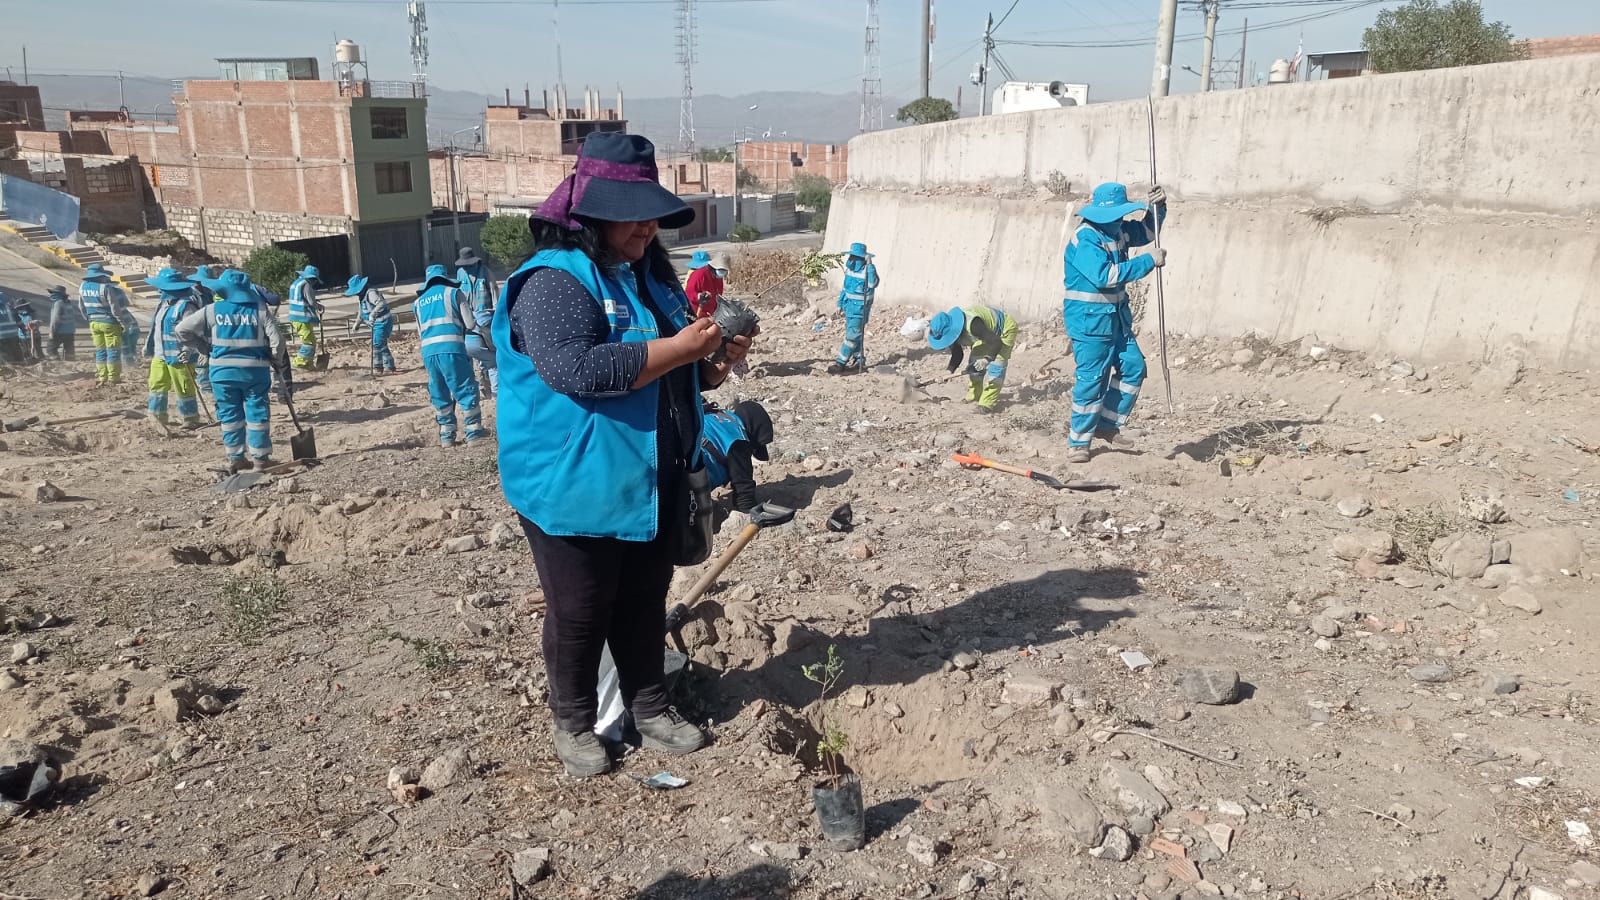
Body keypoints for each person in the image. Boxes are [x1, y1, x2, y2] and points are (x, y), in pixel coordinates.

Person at [492, 131, 754, 777]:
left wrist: (715, 366)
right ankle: (574, 720)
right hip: (574, 480)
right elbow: (576, 369)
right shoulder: (552, 282)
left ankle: (650, 705)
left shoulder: (647, 278)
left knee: (643, 599)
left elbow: (673, 375)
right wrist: (683, 350)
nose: (647, 228)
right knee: (581, 610)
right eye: (632, 215)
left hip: (650, 474)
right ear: (591, 215)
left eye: (651, 216)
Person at [1062, 182, 1167, 463]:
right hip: (1089, 324)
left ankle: (1106, 425)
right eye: (1118, 215)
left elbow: (1145, 232)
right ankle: (1079, 442)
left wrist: (1158, 208)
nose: (1121, 220)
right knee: (1092, 380)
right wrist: (1147, 262)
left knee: (1133, 367)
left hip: (1116, 320)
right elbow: (1104, 276)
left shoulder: (1117, 230)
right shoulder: (1085, 238)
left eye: (1122, 215)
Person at [176, 269, 290, 472]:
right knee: (257, 413)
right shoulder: (260, 310)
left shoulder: (211, 310)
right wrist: (276, 360)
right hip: (254, 372)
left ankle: (236, 458)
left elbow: (181, 330)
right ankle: (261, 459)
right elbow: (278, 341)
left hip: (221, 374)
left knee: (229, 415)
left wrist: (202, 347)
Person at [414, 264, 486, 447]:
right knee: (464, 386)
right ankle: (474, 432)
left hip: (429, 352)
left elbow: (420, 331)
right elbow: (470, 323)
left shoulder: (418, 302)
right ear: (445, 277)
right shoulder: (454, 293)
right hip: (452, 348)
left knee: (439, 390)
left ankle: (447, 435)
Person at [143, 267, 204, 430]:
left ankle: (190, 418)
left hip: (180, 356)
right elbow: (155, 327)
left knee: (184, 387)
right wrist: (148, 345)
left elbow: (195, 331)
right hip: (160, 354)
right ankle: (156, 415)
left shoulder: (187, 306)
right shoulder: (163, 304)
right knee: (156, 384)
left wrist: (188, 350)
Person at [926, 304, 1019, 412]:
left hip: (1003, 331)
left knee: (996, 368)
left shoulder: (973, 325)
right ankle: (974, 396)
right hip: (987, 335)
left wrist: (987, 359)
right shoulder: (953, 332)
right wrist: (949, 372)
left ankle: (986, 404)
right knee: (974, 364)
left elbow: (996, 342)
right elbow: (957, 353)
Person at [700, 399, 773, 514]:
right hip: (687, 482)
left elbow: (716, 446)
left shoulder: (717, 416)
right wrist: (751, 515)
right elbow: (744, 494)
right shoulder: (739, 440)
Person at [828, 242, 879, 375]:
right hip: (849, 307)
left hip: (860, 310)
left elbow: (873, 283)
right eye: (852, 256)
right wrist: (840, 304)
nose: (853, 260)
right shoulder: (850, 269)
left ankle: (841, 362)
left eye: (856, 257)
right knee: (856, 335)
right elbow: (845, 288)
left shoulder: (867, 270)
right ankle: (859, 360)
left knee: (852, 336)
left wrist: (870, 265)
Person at [455, 248, 499, 396]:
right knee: (473, 358)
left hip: (486, 318)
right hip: (468, 320)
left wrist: (497, 315)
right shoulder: (461, 274)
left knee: (490, 355)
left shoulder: (486, 272)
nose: (467, 269)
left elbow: (494, 294)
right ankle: (481, 385)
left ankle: (493, 391)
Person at [79, 262, 130, 384]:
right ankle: (113, 377)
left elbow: (81, 307)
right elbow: (114, 308)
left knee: (100, 350)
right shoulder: (105, 288)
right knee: (113, 350)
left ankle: (102, 376)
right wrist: (122, 322)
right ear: (100, 275)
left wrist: (88, 318)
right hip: (109, 323)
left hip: (93, 323)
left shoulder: (82, 287)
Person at [345, 274, 397, 375]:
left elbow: (381, 303)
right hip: (376, 325)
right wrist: (357, 323)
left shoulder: (371, 293)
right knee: (381, 344)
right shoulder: (361, 297)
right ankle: (387, 366)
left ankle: (380, 367)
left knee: (377, 344)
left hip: (383, 322)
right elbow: (361, 311)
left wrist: (373, 314)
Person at [287, 264, 323, 368]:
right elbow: (311, 302)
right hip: (302, 317)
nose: (314, 282)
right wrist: (318, 306)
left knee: (309, 340)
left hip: (295, 317)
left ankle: (308, 363)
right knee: (309, 342)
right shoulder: (307, 285)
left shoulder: (296, 283)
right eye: (314, 279)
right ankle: (300, 363)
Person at [187, 266, 216, 393]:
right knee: (201, 359)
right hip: (197, 331)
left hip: (208, 331)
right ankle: (204, 386)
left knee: (207, 358)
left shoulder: (207, 293)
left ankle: (206, 383)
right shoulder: (192, 295)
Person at [684, 249, 727, 318]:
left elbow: (718, 293)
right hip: (697, 312)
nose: (722, 272)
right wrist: (699, 296)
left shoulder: (718, 277)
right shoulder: (698, 275)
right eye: (721, 270)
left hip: (710, 313)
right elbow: (688, 294)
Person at [47, 286, 80, 361]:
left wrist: (52, 332)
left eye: (52, 293)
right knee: (69, 350)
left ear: (57, 294)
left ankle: (56, 363)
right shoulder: (68, 303)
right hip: (70, 331)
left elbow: (55, 319)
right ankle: (70, 363)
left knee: (50, 349)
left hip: (59, 331)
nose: (51, 295)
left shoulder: (58, 303)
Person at [0, 291, 22, 365]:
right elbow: (18, 318)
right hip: (14, 334)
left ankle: (11, 369)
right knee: (16, 352)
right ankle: (22, 366)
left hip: (1, 336)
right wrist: (23, 329)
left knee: (5, 356)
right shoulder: (9, 304)